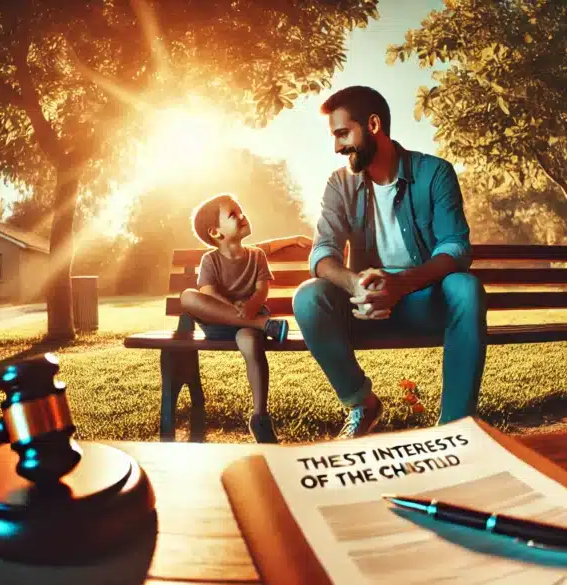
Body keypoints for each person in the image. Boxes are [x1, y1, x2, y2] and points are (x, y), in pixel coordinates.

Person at [292, 85, 487, 439]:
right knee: (308, 296)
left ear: (374, 125)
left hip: (420, 299)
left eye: (342, 133)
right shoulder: (339, 184)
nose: (337, 147)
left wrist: (400, 285)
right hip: (362, 304)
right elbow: (323, 253)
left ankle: (456, 430)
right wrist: (355, 284)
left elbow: (456, 248)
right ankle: (362, 404)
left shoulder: (435, 173)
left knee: (466, 288)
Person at [179, 192, 308, 443]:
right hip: (219, 321)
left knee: (251, 343)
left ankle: (260, 417)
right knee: (188, 296)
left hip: (250, 320)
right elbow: (208, 292)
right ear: (216, 232)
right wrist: (236, 309)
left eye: (240, 210)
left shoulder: (256, 255)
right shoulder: (210, 260)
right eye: (233, 214)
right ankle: (261, 325)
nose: (242, 215)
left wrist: (250, 307)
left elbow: (262, 289)